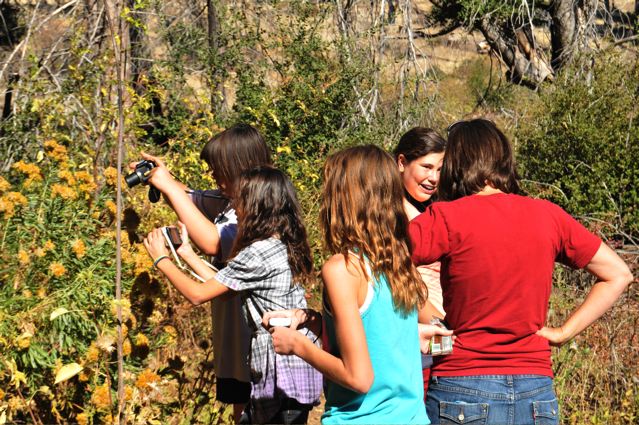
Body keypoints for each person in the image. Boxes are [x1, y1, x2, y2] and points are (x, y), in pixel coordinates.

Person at [409, 119, 633, 425]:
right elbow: (618, 273)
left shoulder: (447, 217)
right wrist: (563, 333)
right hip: (536, 390)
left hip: (463, 383)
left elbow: (378, 260)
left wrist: (425, 315)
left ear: (457, 164)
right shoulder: (547, 214)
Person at [263, 145, 446, 424]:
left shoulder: (342, 269)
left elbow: (358, 378)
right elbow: (439, 331)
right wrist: (319, 322)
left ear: (344, 199)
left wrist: (297, 345)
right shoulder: (397, 260)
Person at [143, 166, 323, 424]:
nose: (235, 208)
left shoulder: (259, 252)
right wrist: (187, 254)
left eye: (240, 201)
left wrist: (161, 259)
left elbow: (198, 294)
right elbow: (224, 289)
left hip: (280, 372)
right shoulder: (279, 241)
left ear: (256, 206)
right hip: (290, 368)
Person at [131, 124, 272, 422]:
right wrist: (162, 178)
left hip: (256, 346)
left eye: (217, 170)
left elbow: (212, 241)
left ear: (238, 169)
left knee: (253, 412)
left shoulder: (260, 217)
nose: (212, 177)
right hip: (235, 339)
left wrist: (168, 187)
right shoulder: (234, 202)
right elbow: (191, 200)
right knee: (241, 411)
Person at [394, 127, 447, 396]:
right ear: (402, 162)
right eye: (426, 167)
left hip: (440, 340)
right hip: (413, 338)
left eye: (439, 169)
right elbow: (399, 277)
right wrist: (440, 325)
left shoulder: (439, 210)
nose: (433, 178)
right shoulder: (390, 214)